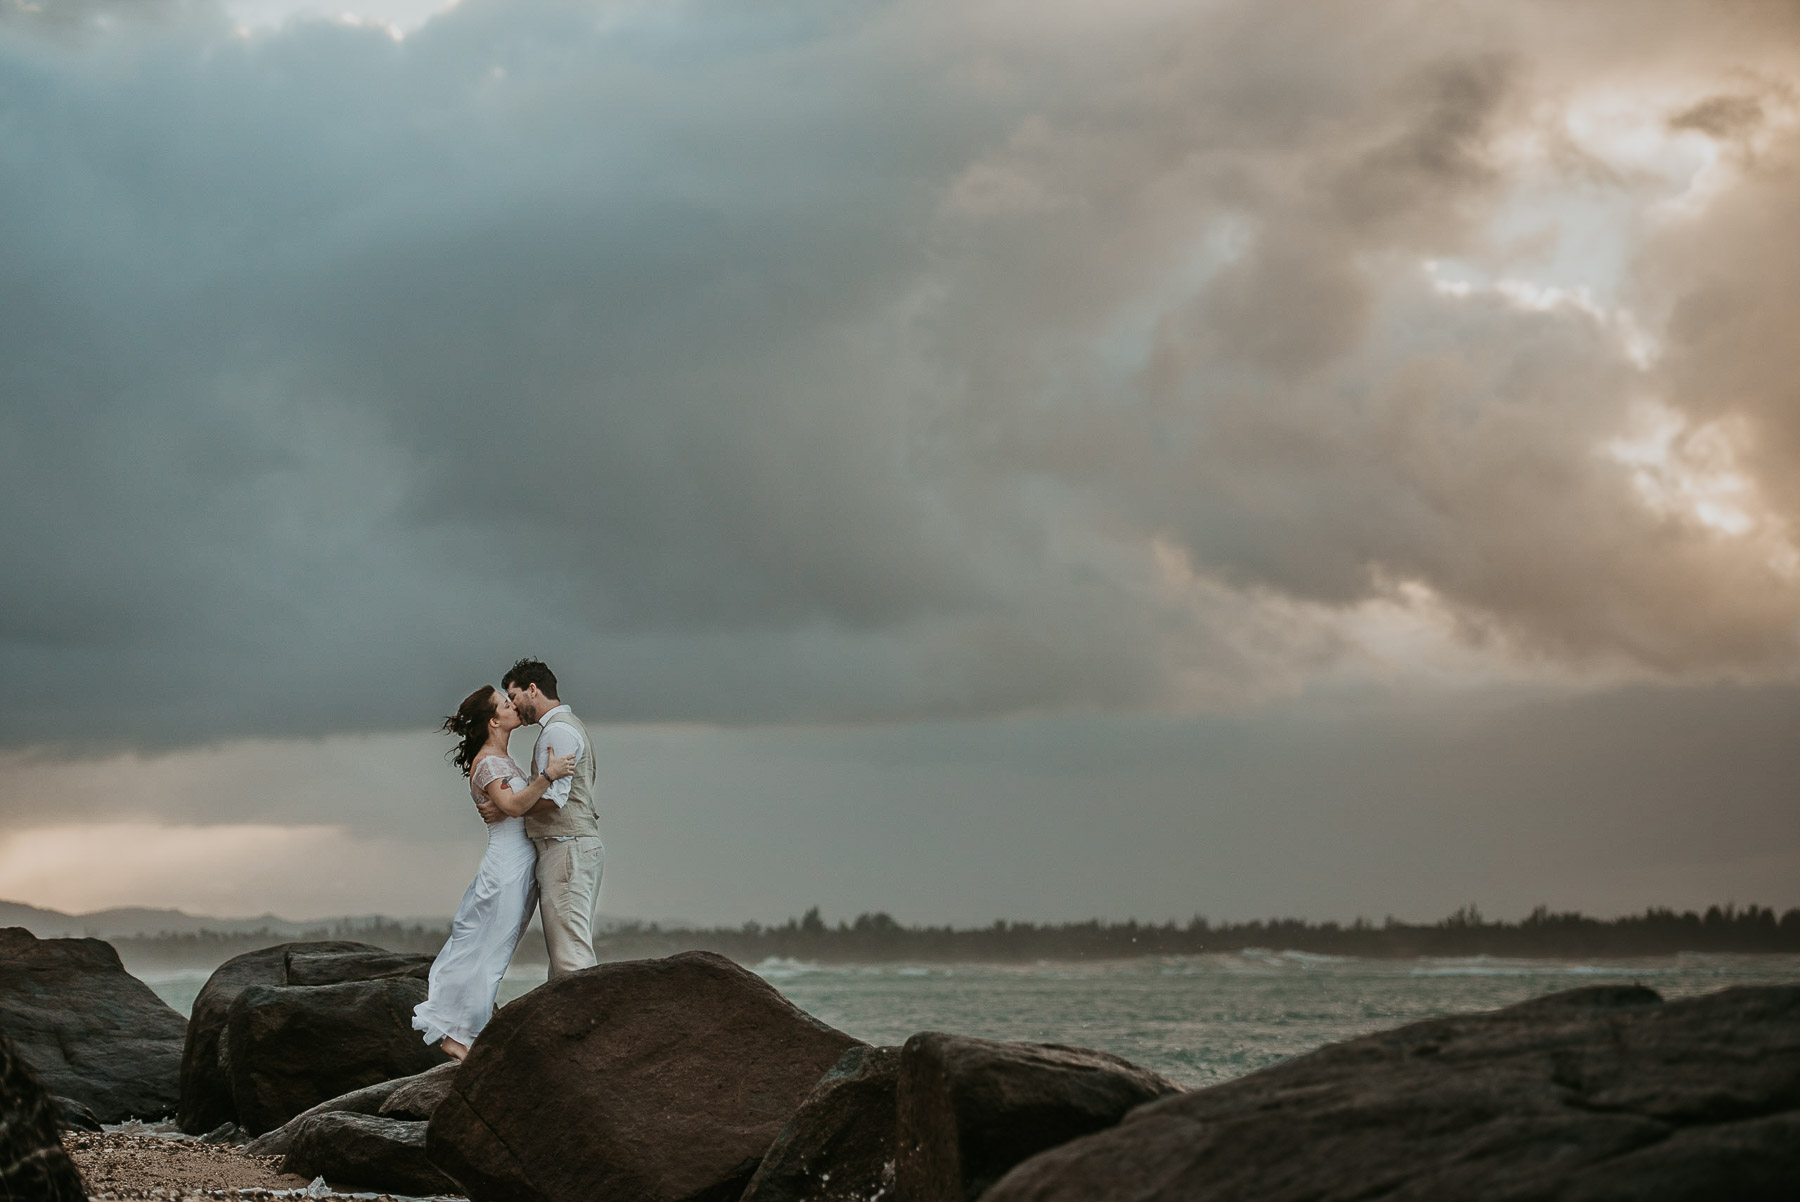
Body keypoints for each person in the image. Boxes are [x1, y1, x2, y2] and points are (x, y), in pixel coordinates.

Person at [413, 685, 575, 1061]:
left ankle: (467, 1030)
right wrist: (548, 775)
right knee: (488, 949)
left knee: (495, 950)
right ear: (494, 720)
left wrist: (516, 802)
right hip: (506, 867)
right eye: (506, 704)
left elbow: (512, 806)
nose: (513, 705)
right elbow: (514, 805)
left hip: (518, 866)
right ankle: (461, 1036)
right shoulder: (488, 762)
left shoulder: (499, 759)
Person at [474, 657, 605, 978]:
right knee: (566, 951)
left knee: (570, 956)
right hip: (570, 846)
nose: (515, 706)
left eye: (514, 695)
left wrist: (507, 807)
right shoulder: (568, 727)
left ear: (532, 690)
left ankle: (584, 1023)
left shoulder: (556, 733)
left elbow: (554, 799)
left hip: (565, 846)